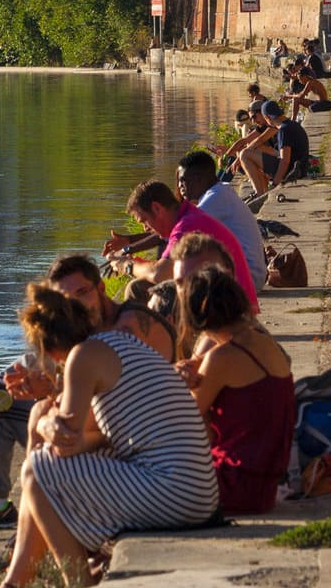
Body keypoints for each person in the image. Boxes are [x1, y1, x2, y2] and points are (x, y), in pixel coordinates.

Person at [1, 286, 217, 587]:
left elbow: (64, 444)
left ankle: (74, 583)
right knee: (44, 468)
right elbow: (93, 438)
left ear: (50, 352)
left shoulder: (83, 357)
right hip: (198, 492)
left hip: (174, 493)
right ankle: (17, 582)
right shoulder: (119, 344)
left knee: (36, 471)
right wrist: (53, 423)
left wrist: (43, 424)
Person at [0, 254, 174, 535]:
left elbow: (118, 412)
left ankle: (30, 538)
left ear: (101, 289)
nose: (77, 305)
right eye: (67, 300)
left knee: (41, 444)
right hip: (122, 438)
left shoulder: (128, 327)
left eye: (83, 293)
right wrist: (48, 390)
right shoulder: (87, 336)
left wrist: (48, 403)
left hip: (141, 448)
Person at [175, 268, 294, 514]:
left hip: (233, 485)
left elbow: (182, 425)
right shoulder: (262, 342)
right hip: (263, 487)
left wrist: (178, 382)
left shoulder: (222, 358)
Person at [105, 181, 258, 308]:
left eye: (144, 220)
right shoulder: (187, 217)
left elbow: (160, 274)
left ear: (157, 208)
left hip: (234, 309)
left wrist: (127, 265)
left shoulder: (187, 225)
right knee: (140, 287)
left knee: (138, 290)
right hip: (227, 299)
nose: (145, 228)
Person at [176, 150, 264, 292]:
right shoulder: (221, 191)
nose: (180, 187)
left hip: (247, 279)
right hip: (251, 276)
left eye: (183, 181)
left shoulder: (216, 198)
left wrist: (131, 244)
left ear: (198, 179)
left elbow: (179, 230)